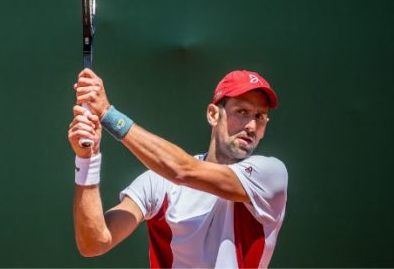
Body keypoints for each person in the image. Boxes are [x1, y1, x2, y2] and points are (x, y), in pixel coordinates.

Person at [68, 69, 287, 268]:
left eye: (259, 116)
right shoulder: (157, 183)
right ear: (213, 114)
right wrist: (87, 160)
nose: (251, 126)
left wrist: (108, 114)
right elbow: (94, 243)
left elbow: (183, 171)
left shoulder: (271, 175)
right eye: (242, 112)